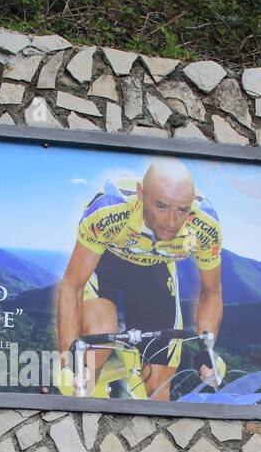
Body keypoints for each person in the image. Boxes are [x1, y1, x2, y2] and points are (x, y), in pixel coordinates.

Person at [55, 159, 224, 400]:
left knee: (158, 389)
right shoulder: (110, 210)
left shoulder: (205, 225)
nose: (171, 222)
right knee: (92, 352)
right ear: (141, 194)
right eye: (161, 206)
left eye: (182, 210)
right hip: (108, 262)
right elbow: (72, 285)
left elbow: (211, 292)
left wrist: (207, 349)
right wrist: (68, 358)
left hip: (155, 271)